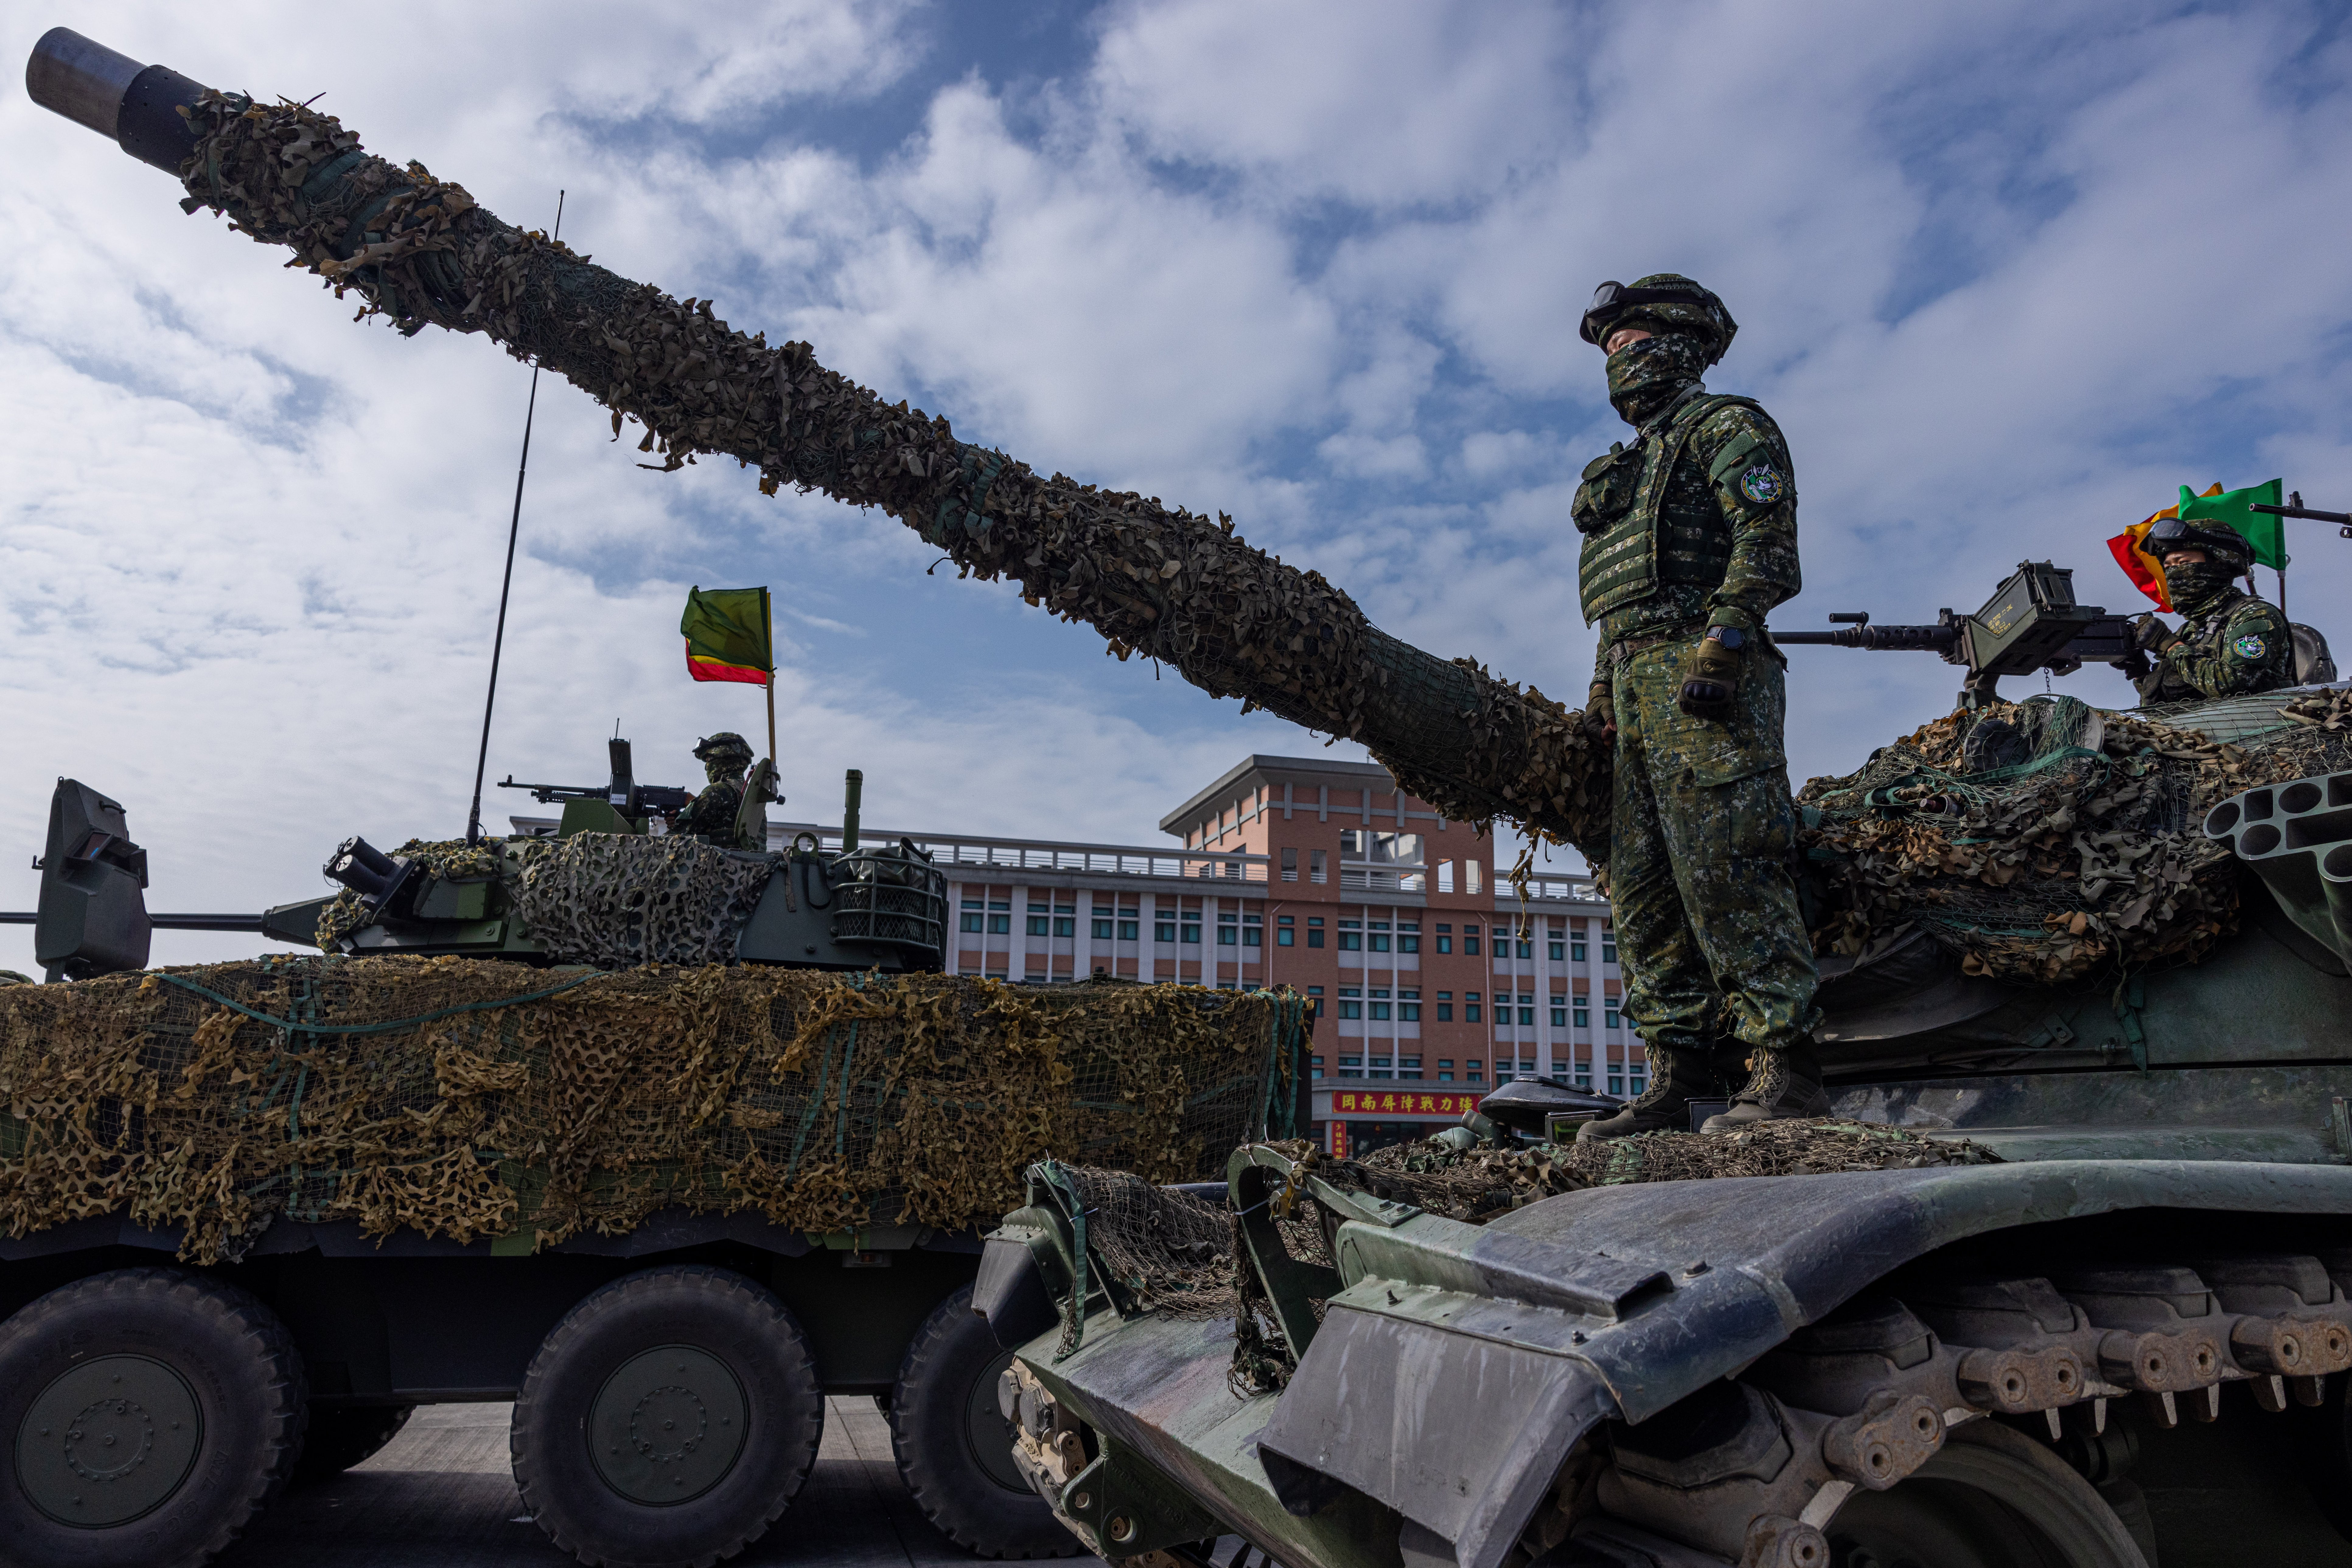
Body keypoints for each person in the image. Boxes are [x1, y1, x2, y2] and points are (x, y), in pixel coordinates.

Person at [1568, 275, 1828, 1139]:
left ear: (1679, 346)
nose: (1620, 367)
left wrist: (1726, 638)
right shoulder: (1628, 466)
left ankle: (1784, 1066)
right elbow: (1619, 604)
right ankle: (1681, 1074)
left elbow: (1766, 544)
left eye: (1632, 346)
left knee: (1730, 869)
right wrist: (1604, 690)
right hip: (1636, 682)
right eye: (1610, 354)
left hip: (1705, 671)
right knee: (1643, 890)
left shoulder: (1728, 428)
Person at [2131, 519, 2295, 702]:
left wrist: (2170, 646)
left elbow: (2230, 686)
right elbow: (2163, 708)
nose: (2174, 573)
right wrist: (2139, 670)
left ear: (2219, 562)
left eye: (2183, 562)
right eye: (2169, 567)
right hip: (2197, 729)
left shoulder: (2255, 615)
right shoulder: (2189, 630)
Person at [672, 732, 769, 849]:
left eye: (708, 760)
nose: (706, 767)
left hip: (719, 867)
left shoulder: (717, 793)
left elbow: (675, 838)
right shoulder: (753, 798)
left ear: (721, 759)